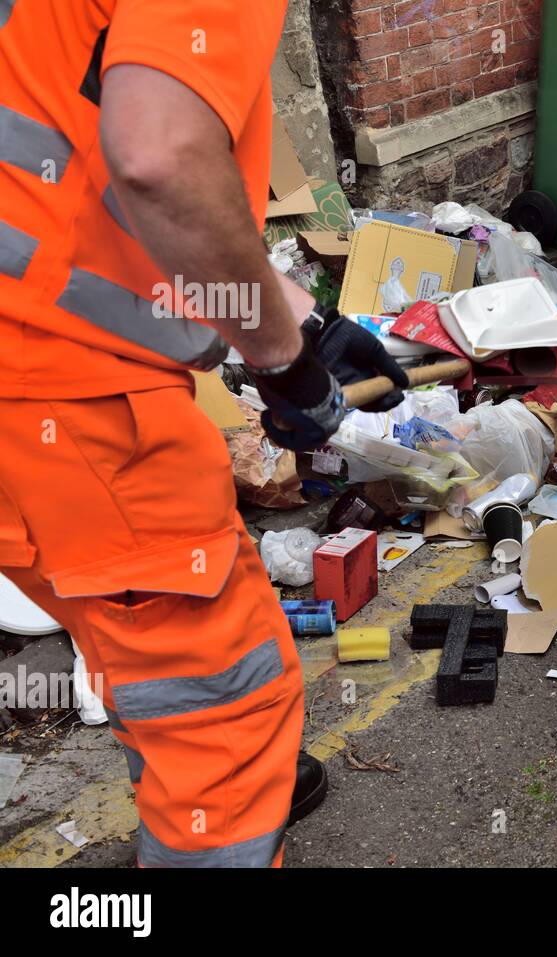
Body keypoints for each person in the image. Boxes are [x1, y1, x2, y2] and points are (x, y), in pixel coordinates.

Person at [0, 1, 408, 864]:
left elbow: (71, 149)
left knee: (128, 632)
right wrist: (283, 363)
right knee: (224, 706)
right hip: (57, 394)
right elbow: (160, 155)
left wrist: (299, 317)